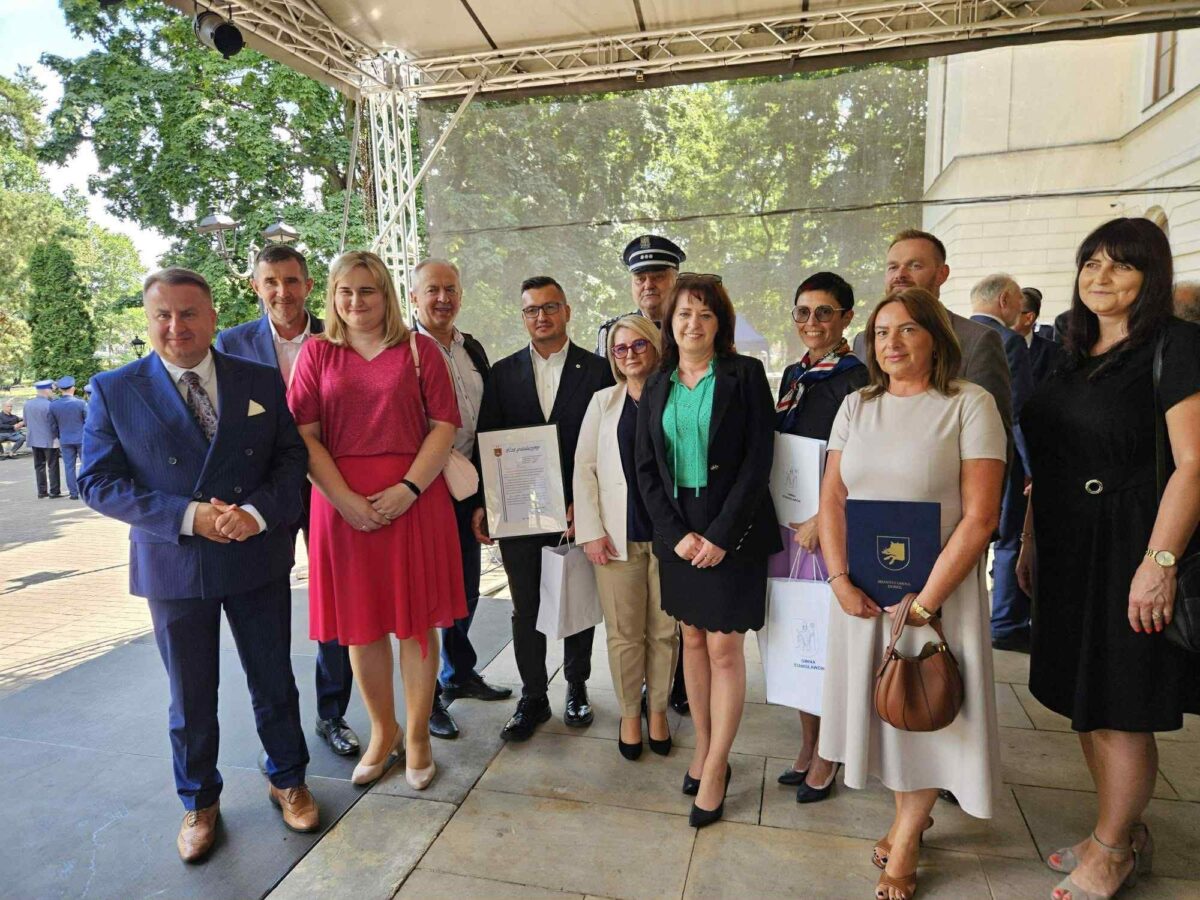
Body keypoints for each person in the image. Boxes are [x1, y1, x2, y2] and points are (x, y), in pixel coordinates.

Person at [79, 268, 317, 863]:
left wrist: (257, 514)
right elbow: (97, 482)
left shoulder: (258, 378)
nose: (175, 326)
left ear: (213, 317)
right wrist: (190, 516)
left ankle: (288, 778)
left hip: (254, 555)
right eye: (162, 315)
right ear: (148, 320)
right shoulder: (114, 388)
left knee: (273, 679)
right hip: (175, 563)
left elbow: (291, 461)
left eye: (188, 313)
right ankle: (199, 801)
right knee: (190, 695)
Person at [1017, 218, 1200, 900]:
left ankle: (1113, 848)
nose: (1101, 276)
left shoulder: (1176, 345)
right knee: (1085, 700)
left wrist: (1160, 560)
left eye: (1120, 265)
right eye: (1091, 262)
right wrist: (1032, 537)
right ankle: (1121, 828)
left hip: (1131, 540)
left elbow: (1194, 465)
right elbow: (1048, 462)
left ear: (1149, 275)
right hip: (1068, 541)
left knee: (1122, 703)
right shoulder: (1069, 345)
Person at [818, 288, 1006, 900]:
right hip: (864, 595)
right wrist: (839, 579)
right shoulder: (855, 405)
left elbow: (980, 517)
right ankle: (911, 815)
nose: (891, 343)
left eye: (906, 330)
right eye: (880, 333)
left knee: (928, 709)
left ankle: (904, 838)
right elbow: (833, 498)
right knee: (892, 708)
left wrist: (926, 601)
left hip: (936, 596)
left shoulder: (968, 404)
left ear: (935, 338)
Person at [288, 250, 466, 793]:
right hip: (341, 508)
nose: (355, 302)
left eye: (367, 291)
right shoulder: (316, 353)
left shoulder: (419, 350)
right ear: (333, 296)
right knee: (360, 629)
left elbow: (444, 426)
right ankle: (381, 733)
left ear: (386, 294)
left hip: (414, 500)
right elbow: (304, 435)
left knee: (415, 627)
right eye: (345, 292)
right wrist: (343, 499)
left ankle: (417, 737)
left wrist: (409, 487)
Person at [635, 273, 781, 828]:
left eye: (704, 314)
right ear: (669, 324)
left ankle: (717, 765)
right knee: (690, 642)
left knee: (724, 651)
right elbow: (646, 469)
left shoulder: (744, 375)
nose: (692, 324)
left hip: (732, 531)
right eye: (682, 315)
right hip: (679, 531)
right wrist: (675, 534)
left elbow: (756, 461)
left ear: (720, 323)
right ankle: (702, 746)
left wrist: (720, 535)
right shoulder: (658, 382)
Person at [215, 245, 360, 760]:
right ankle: (278, 729)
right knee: (268, 614)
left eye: (292, 280)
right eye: (271, 281)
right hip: (264, 498)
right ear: (256, 286)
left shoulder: (339, 335)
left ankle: (332, 714)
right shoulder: (229, 345)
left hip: (326, 486)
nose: (283, 292)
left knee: (335, 604)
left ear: (308, 284)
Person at [474, 276, 614, 742]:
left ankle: (576, 688)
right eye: (531, 309)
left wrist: (590, 504)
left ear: (567, 311)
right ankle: (533, 696)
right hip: (520, 514)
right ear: (523, 316)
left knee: (575, 598)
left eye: (550, 307)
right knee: (526, 605)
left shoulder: (597, 371)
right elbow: (486, 443)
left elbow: (607, 445)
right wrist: (485, 506)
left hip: (579, 511)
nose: (541, 316)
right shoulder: (502, 371)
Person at [774, 271, 868, 803]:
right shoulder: (794, 373)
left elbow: (861, 458)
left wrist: (821, 519)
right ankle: (808, 742)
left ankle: (831, 752)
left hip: (827, 529)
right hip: (788, 528)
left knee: (828, 645)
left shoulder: (856, 378)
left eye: (824, 312)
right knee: (797, 641)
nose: (812, 322)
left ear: (847, 317)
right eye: (803, 312)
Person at [410, 258, 512, 741]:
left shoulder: (471, 347)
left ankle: (461, 672)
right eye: (432, 290)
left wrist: (485, 494)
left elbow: (487, 417)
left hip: (467, 485)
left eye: (451, 289)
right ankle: (427, 699)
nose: (443, 298)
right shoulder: (402, 351)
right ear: (413, 298)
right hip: (425, 489)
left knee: (465, 588)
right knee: (429, 596)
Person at [597, 235, 694, 717]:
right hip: (626, 514)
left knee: (671, 621)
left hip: (678, 513)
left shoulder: (692, 329)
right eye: (641, 277)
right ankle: (642, 704)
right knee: (630, 623)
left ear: (676, 278)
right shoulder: (614, 335)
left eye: (659, 274)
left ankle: (675, 687)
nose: (650, 284)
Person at [574, 314, 678, 760]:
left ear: (655, 347)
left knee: (664, 632)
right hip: (617, 537)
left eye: (639, 346)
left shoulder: (677, 395)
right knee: (623, 634)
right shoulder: (603, 402)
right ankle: (629, 714)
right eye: (621, 349)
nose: (630, 355)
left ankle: (658, 711)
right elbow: (584, 468)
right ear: (613, 358)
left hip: (671, 538)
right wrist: (591, 532)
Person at [853, 230, 1012, 437]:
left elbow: (995, 436)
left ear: (942, 274)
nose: (900, 274)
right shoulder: (863, 341)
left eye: (914, 266)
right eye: (893, 267)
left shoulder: (978, 340)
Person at [969, 274, 1036, 653]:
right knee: (1010, 538)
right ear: (1007, 300)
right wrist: (1032, 467)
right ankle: (1007, 622)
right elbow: (1018, 413)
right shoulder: (1006, 341)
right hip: (1000, 460)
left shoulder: (956, 334)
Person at [50, 375, 87, 500]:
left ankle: (74, 493)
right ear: (73, 388)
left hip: (65, 440)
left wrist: (58, 437)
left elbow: (53, 425)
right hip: (82, 439)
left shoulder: (54, 405)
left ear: (61, 390)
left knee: (69, 467)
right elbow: (89, 422)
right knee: (85, 465)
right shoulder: (81, 403)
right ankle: (86, 491)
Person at [23, 380, 61, 498]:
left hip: (34, 439)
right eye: (51, 389)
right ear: (46, 390)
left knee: (39, 466)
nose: (52, 392)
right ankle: (54, 491)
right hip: (50, 439)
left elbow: (25, 422)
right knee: (53, 466)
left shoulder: (27, 404)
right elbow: (54, 424)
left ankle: (41, 492)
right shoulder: (50, 405)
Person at [1015, 287, 1059, 385]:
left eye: (1012, 312)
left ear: (1029, 318)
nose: (1004, 317)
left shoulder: (1054, 352)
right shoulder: (993, 347)